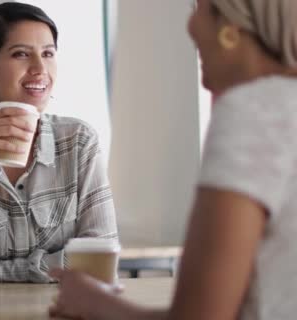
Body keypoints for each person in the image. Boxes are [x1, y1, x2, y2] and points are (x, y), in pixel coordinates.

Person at [49, 0, 297, 319]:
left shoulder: (254, 111)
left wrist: (93, 303)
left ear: (231, 27)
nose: (191, 27)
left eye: (200, 10)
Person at [0, 2, 118, 283]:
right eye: (21, 54)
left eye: (48, 53)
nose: (40, 68)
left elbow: (99, 256)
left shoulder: (78, 141)